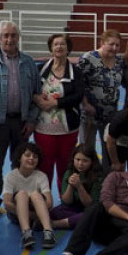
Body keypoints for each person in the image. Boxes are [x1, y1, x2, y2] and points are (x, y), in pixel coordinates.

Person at [0, 20, 42, 219]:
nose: (10, 39)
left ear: (18, 38)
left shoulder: (29, 63)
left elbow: (37, 94)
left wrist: (31, 121)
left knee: (20, 163)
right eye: (6, 35)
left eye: (13, 35)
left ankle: (17, 202)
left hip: (21, 123)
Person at [35, 33, 85, 190]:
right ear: (51, 48)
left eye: (62, 44)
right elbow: (30, 90)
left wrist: (56, 103)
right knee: (45, 166)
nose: (59, 47)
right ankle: (45, 197)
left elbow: (78, 95)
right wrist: (37, 98)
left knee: (65, 166)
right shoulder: (39, 70)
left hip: (67, 128)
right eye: (56, 44)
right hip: (43, 128)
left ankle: (65, 198)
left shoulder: (75, 72)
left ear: (68, 49)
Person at [2, 143, 56, 249]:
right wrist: (32, 215)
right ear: (19, 158)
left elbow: (49, 203)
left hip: (37, 211)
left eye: (35, 157)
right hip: (17, 213)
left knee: (35, 194)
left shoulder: (41, 176)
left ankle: (48, 232)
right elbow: (7, 203)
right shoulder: (11, 176)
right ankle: (26, 233)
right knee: (22, 194)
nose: (31, 158)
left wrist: (37, 213)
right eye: (27, 155)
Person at [80, 29, 125, 152]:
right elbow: (79, 84)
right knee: (87, 150)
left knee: (109, 149)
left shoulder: (120, 62)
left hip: (111, 114)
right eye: (111, 44)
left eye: (117, 45)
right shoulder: (88, 58)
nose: (114, 48)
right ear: (102, 43)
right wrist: (85, 104)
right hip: (90, 113)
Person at [50, 144, 104, 229]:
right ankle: (71, 221)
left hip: (89, 210)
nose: (80, 163)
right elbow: (67, 202)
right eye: (77, 159)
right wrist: (70, 186)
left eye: (85, 161)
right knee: (54, 212)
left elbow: (91, 205)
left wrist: (79, 187)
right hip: (73, 209)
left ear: (92, 162)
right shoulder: (69, 172)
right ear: (73, 159)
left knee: (90, 216)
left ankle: (56, 224)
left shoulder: (98, 177)